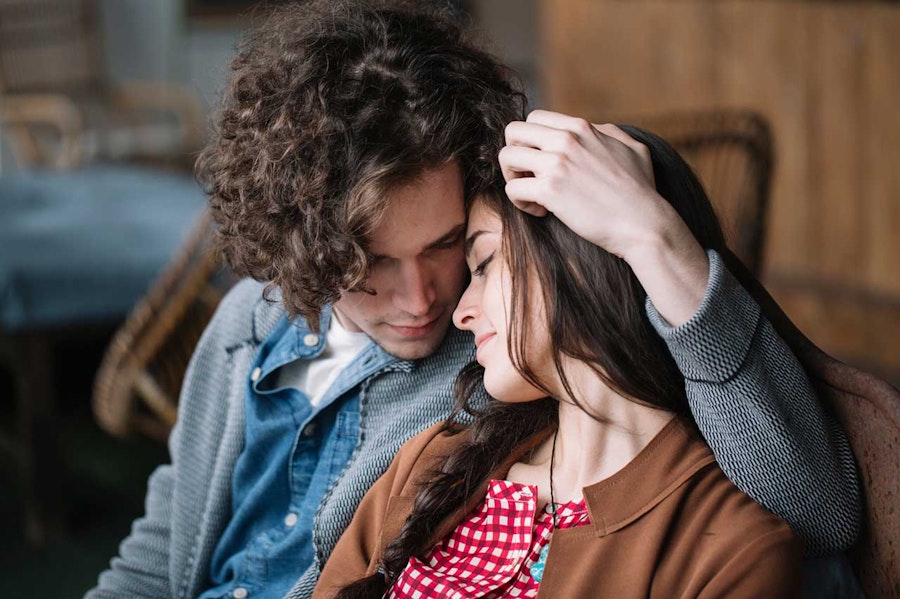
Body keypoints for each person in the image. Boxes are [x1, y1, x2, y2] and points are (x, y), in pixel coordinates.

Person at [86, 3, 859, 599]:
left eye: (452, 246)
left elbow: (813, 508)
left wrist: (657, 242)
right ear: (305, 255)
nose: (425, 298)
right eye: (369, 268)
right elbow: (167, 541)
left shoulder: (493, 374)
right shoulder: (243, 328)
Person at [313, 124, 806, 599]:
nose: (460, 312)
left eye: (484, 265)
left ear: (581, 256)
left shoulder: (728, 549)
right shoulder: (430, 465)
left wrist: (649, 231)